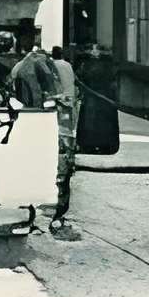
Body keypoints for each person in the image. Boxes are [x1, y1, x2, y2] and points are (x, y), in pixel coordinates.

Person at [48, 46, 80, 228]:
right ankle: (70, 154)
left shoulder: (51, 65)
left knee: (60, 130)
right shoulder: (68, 65)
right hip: (69, 101)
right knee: (68, 130)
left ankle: (64, 156)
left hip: (59, 101)